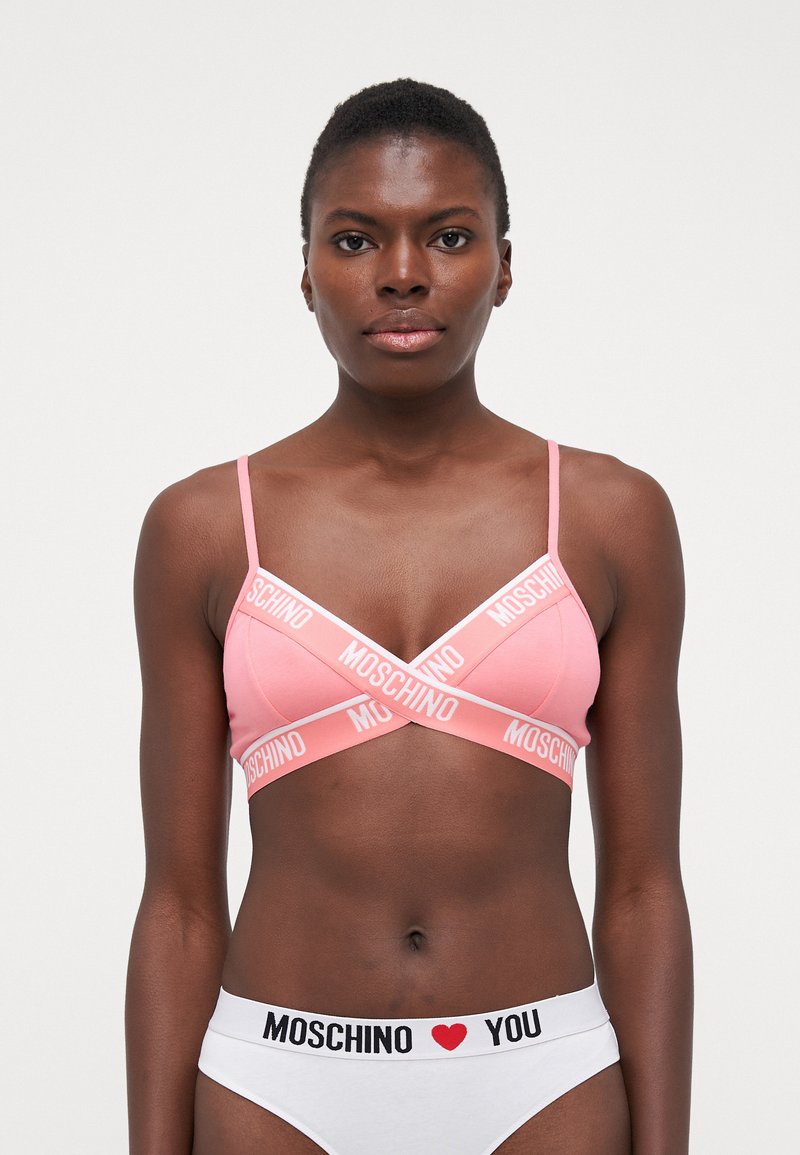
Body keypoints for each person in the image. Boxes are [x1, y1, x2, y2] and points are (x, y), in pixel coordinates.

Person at [126, 78, 692, 1155]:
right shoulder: (201, 529)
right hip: (273, 1087)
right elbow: (179, 905)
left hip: (545, 1083)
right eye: (353, 239)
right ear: (304, 270)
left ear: (504, 265)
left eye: (447, 235)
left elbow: (642, 891)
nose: (400, 273)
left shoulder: (612, 518)